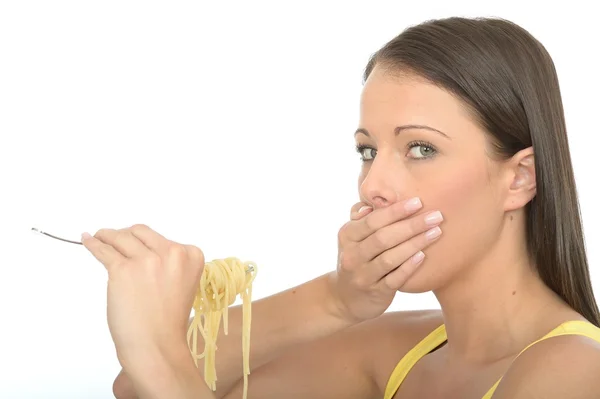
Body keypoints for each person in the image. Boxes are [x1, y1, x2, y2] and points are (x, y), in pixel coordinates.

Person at [82, 16, 600, 399]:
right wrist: (338, 300)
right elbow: (141, 385)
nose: (373, 184)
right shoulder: (400, 350)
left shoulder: (574, 372)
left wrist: (155, 347)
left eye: (421, 148)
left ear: (519, 179)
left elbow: (161, 374)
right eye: (367, 151)